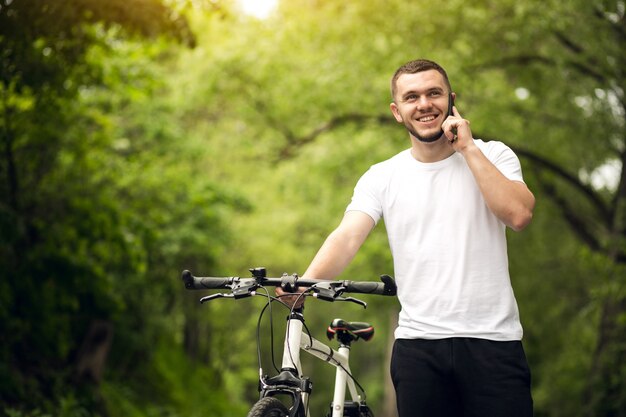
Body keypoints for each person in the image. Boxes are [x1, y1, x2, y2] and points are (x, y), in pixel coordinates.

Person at [279, 59, 535, 417]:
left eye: (434, 93)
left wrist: (468, 148)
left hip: (493, 342)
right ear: (397, 112)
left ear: (451, 100)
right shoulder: (382, 176)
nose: (424, 104)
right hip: (419, 349)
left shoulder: (493, 154)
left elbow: (519, 215)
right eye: (412, 97)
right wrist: (303, 284)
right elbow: (349, 236)